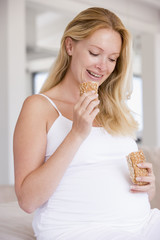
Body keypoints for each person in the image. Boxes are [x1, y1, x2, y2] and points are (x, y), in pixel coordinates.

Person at [13, 7, 160, 240]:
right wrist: (77, 134)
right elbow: (28, 200)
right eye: (94, 53)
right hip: (81, 231)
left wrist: (147, 187)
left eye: (112, 58)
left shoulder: (114, 108)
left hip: (145, 224)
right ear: (70, 46)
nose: (103, 66)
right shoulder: (39, 107)